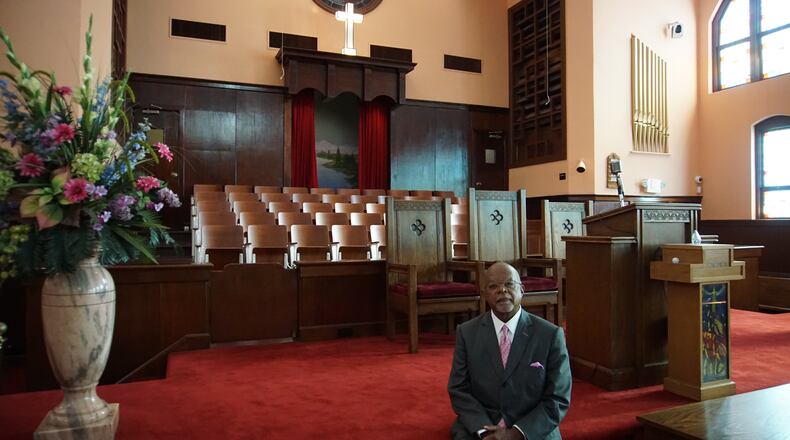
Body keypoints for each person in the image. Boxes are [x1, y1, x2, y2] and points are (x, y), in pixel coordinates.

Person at [448, 261, 571, 439]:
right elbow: (458, 389)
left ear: (521, 290)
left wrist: (516, 434)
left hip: (532, 429)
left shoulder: (550, 335)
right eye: (493, 286)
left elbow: (558, 398)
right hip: (480, 427)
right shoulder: (467, 333)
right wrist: (484, 431)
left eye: (509, 284)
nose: (502, 290)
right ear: (484, 294)